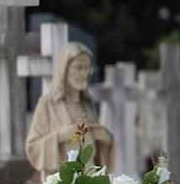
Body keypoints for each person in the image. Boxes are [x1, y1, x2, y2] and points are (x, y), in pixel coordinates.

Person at [26, 41, 115, 175]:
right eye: (79, 68)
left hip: (90, 183)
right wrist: (61, 136)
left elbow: (98, 154)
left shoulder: (87, 104)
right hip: (62, 183)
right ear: (65, 69)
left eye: (87, 68)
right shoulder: (48, 103)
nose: (85, 73)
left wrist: (105, 140)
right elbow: (33, 148)